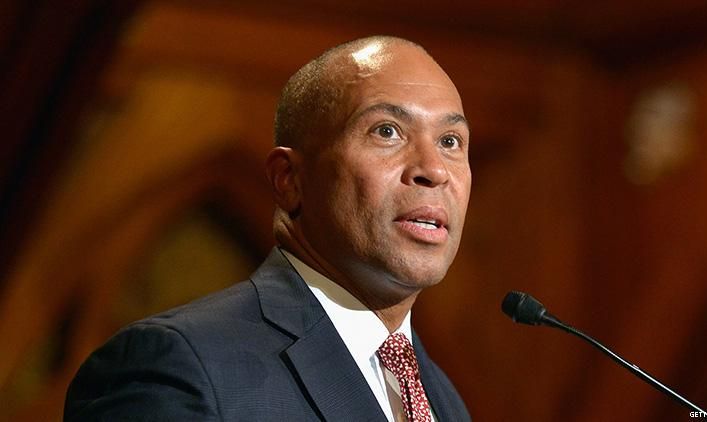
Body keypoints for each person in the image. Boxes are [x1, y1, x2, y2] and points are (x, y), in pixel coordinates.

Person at [65, 35, 472, 421]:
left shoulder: (442, 399)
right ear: (288, 179)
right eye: (387, 131)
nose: (434, 170)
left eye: (451, 141)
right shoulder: (178, 367)